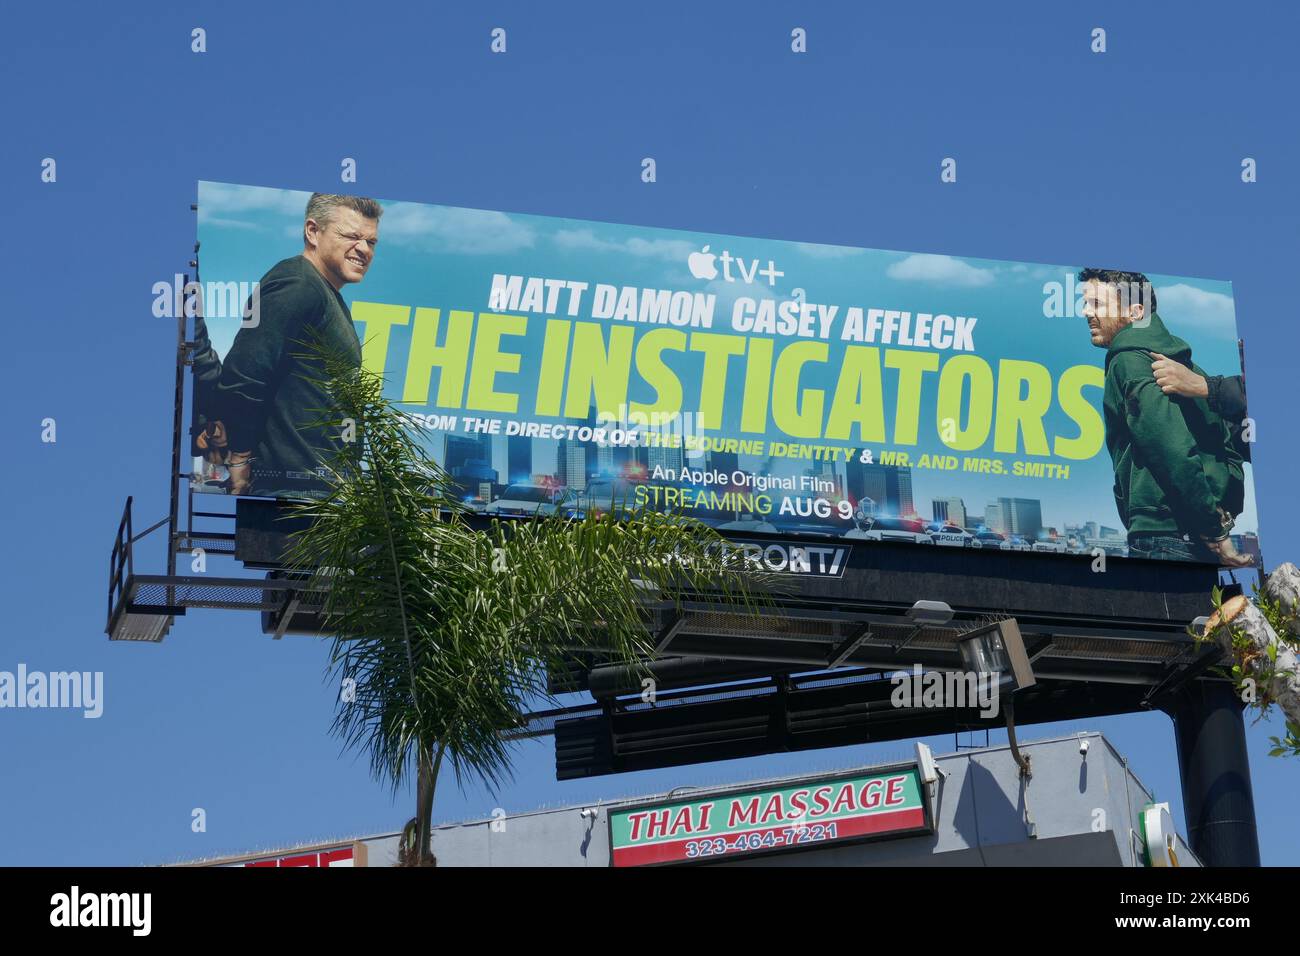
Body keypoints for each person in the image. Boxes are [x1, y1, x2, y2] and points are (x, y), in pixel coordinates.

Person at [203, 193, 383, 497]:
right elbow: (244, 374)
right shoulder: (298, 284)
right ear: (313, 231)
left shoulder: (326, 294)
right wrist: (240, 459)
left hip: (320, 496)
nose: (363, 249)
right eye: (352, 236)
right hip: (290, 497)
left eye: (371, 242)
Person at [1078, 267, 1251, 567]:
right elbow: (1228, 447)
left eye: (1096, 303)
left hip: (1162, 537)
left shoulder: (1128, 360)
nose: (1085, 312)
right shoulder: (1191, 371)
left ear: (1136, 311)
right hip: (1193, 535)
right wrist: (1221, 514)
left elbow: (1170, 449)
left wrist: (1214, 529)